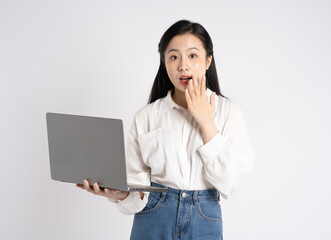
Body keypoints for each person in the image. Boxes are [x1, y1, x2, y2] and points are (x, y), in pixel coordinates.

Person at [77, 19, 255, 240]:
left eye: (192, 56)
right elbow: (138, 189)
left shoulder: (228, 112)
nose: (183, 66)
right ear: (164, 62)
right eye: (173, 57)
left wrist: (205, 120)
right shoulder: (147, 117)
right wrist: (119, 193)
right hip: (153, 217)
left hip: (204, 219)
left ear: (208, 61)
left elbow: (228, 181)